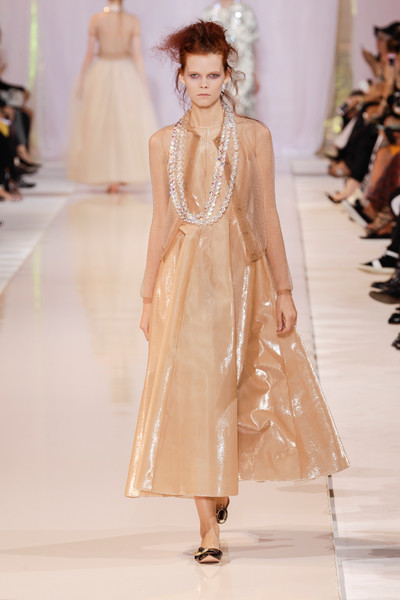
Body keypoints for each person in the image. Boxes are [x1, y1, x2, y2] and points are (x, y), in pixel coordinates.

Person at [125, 20, 349, 564]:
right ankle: (208, 529)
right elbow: (161, 221)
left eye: (212, 75)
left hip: (241, 278)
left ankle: (218, 481)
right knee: (193, 395)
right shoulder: (162, 144)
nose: (203, 85)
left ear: (227, 75)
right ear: (181, 77)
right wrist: (148, 296)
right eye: (194, 76)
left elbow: (267, 213)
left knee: (237, 387)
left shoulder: (253, 136)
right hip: (183, 281)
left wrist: (284, 289)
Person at [67, 0, 157, 193]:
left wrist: (82, 79)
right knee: (124, 123)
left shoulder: (96, 19)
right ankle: (121, 174)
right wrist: (143, 84)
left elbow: (89, 54)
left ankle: (110, 177)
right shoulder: (132, 20)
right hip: (126, 72)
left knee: (102, 124)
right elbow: (137, 56)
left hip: (102, 71)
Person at [202, 0, 259, 117]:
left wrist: (254, 75)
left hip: (243, 69)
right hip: (217, 69)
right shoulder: (208, 13)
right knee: (219, 107)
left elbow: (251, 46)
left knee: (242, 107)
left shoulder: (246, 12)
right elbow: (203, 48)